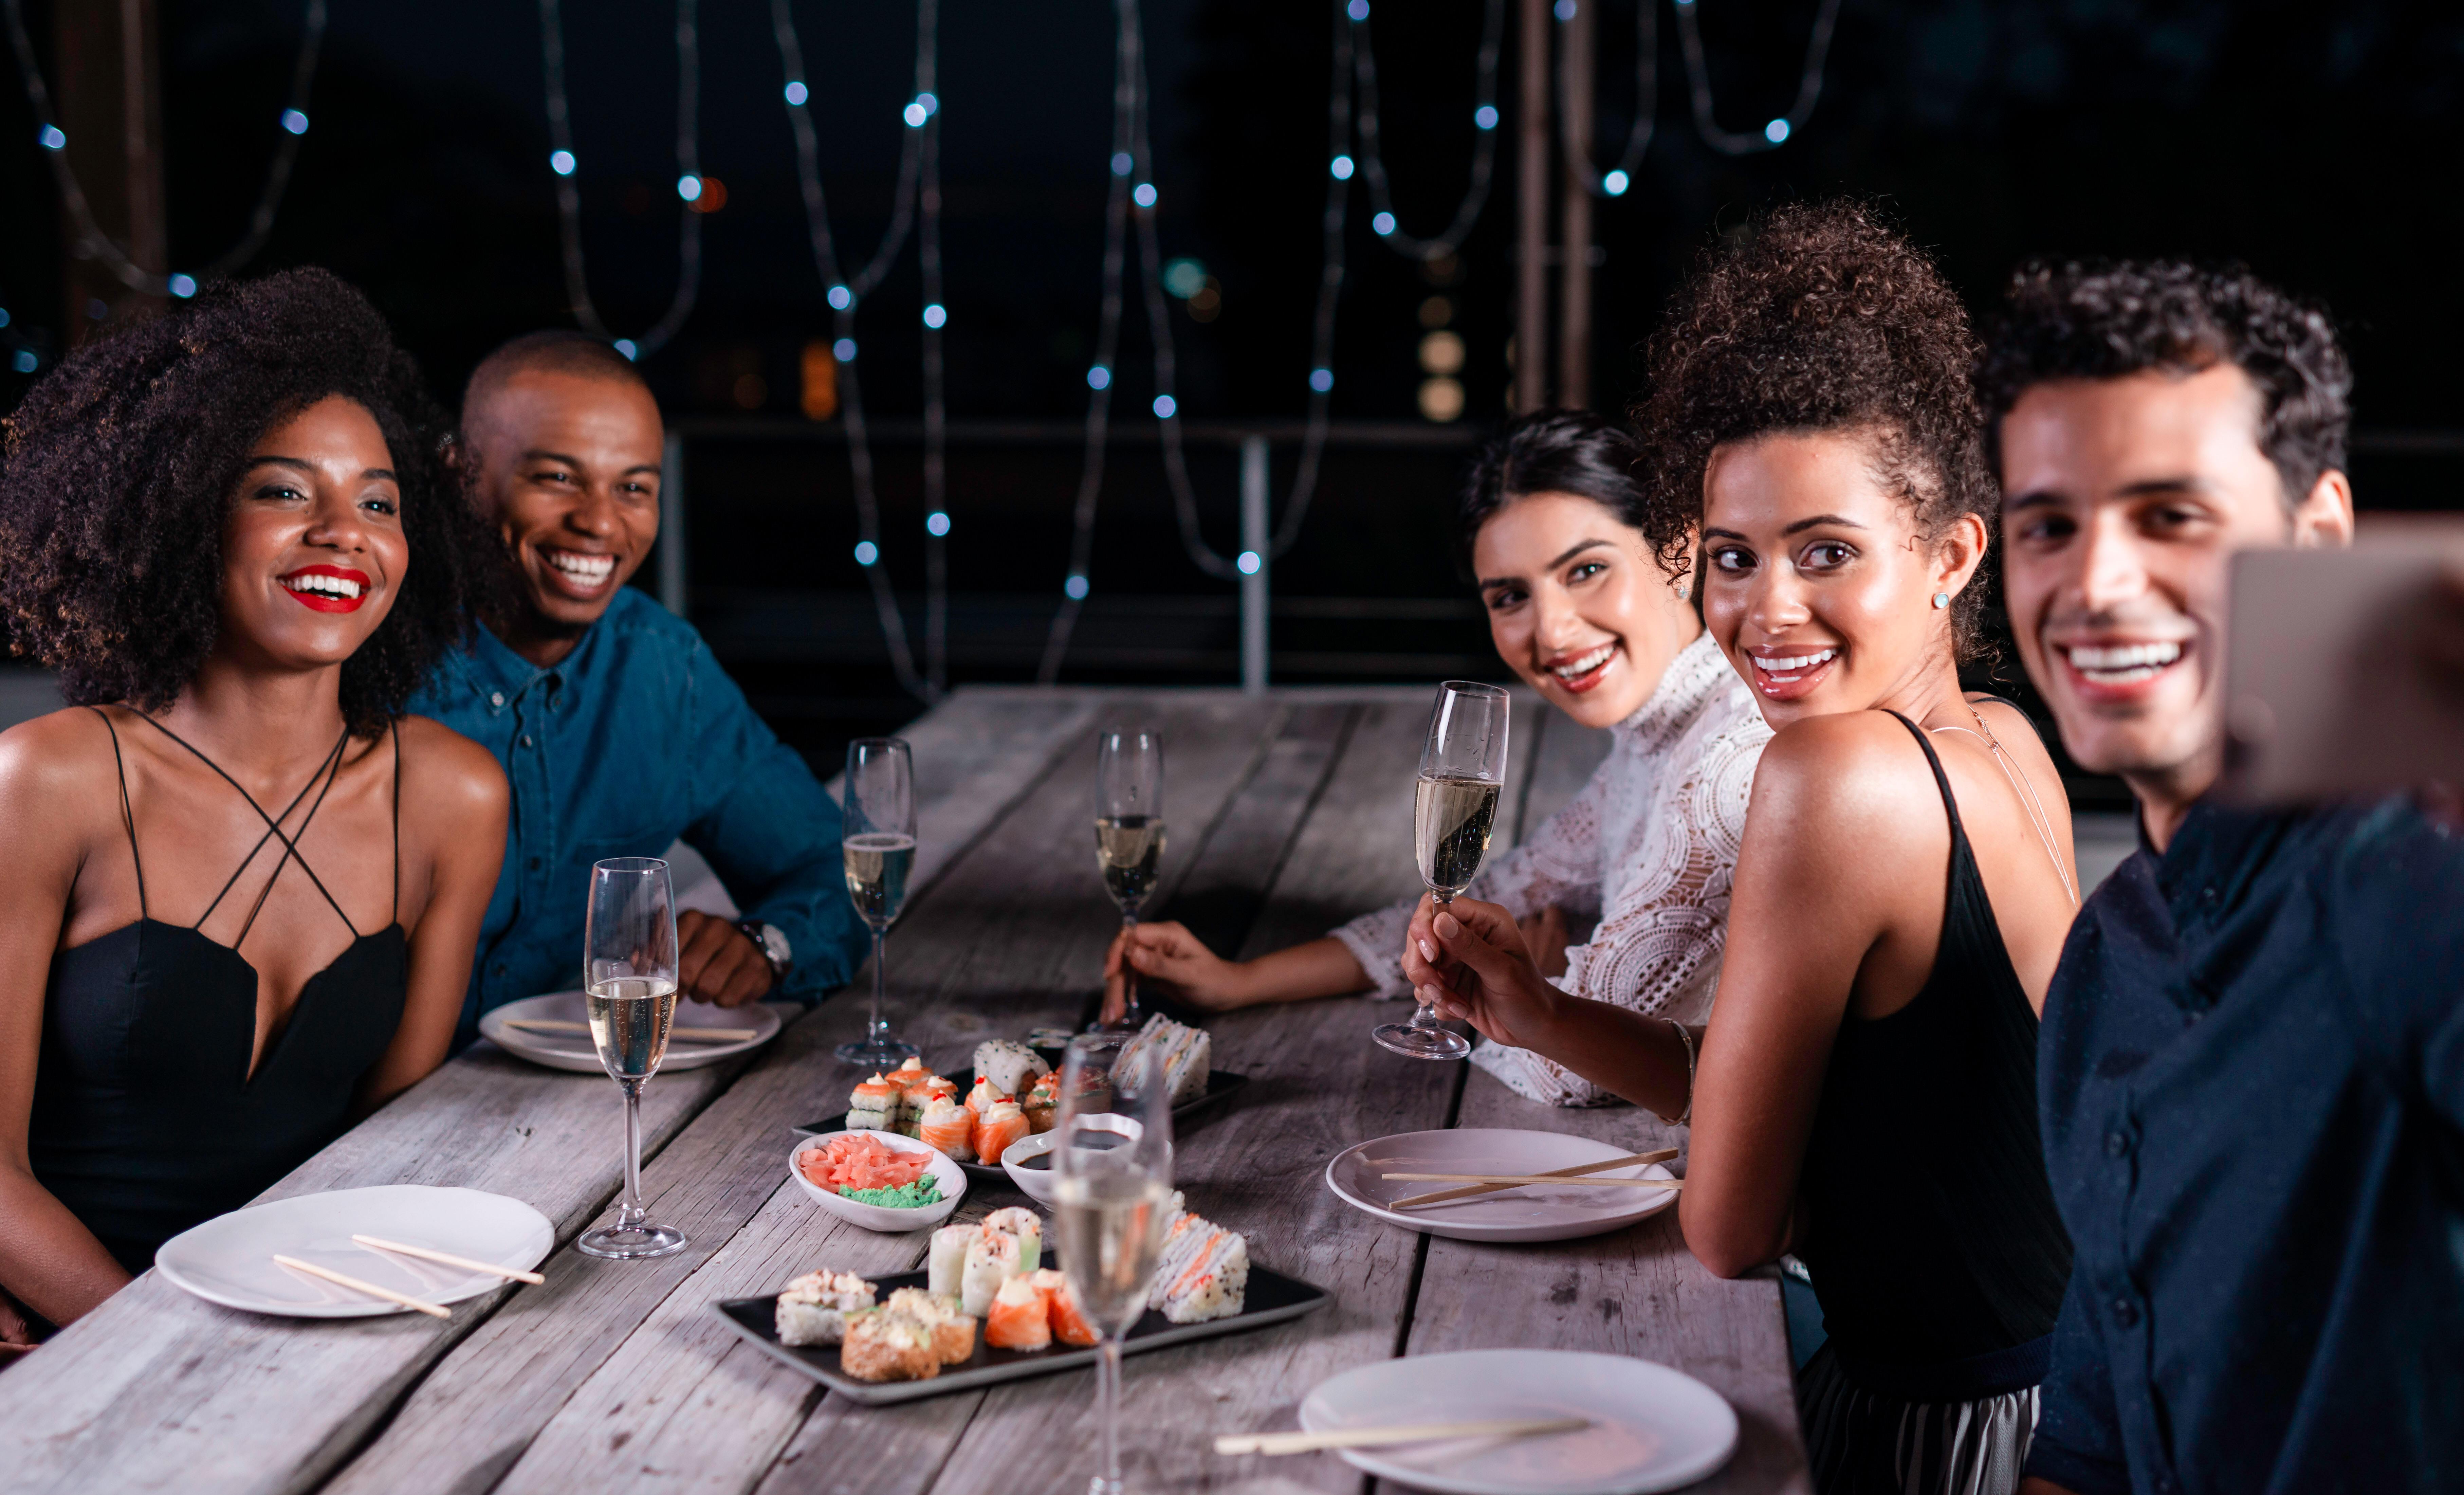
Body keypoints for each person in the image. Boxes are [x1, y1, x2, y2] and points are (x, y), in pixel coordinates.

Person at [1410, 203, 2082, 1493]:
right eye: (1730, 557)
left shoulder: (1831, 772)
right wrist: (1536, 1010)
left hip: (1945, 1435)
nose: (1763, 610)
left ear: (1948, 555)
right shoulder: (2001, 739)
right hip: (2056, 1401)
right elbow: (1879, 1121)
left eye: (1823, 552)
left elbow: (1728, 1224)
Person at [1980, 262, 2464, 1495]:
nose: (2091, 584)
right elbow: (2085, 1442)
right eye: (2047, 524)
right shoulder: (2103, 955)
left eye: (2168, 515)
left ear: (2315, 541)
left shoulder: (2401, 870)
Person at [0, 270, 509, 1338]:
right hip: (66, 1333)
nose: (343, 531)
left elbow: (392, 1143)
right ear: (184, 515)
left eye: (378, 500)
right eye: (283, 491)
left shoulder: (454, 797)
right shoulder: (47, 780)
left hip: (319, 1324)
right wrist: (147, 1344)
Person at [1099, 409, 1772, 1104]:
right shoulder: (1651, 743)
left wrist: (1537, 995)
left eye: (1586, 570)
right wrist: (1239, 981)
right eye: (1510, 597)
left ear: (1679, 548)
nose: (1551, 630)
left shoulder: (1727, 758)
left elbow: (1572, 1074)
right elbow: (1486, 899)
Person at [406, 332, 869, 1043]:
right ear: (456, 475)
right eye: (557, 477)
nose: (599, 522)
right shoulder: (363, 655)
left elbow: (830, 872)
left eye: (633, 489)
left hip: (578, 1107)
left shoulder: (662, 669)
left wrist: (768, 945)